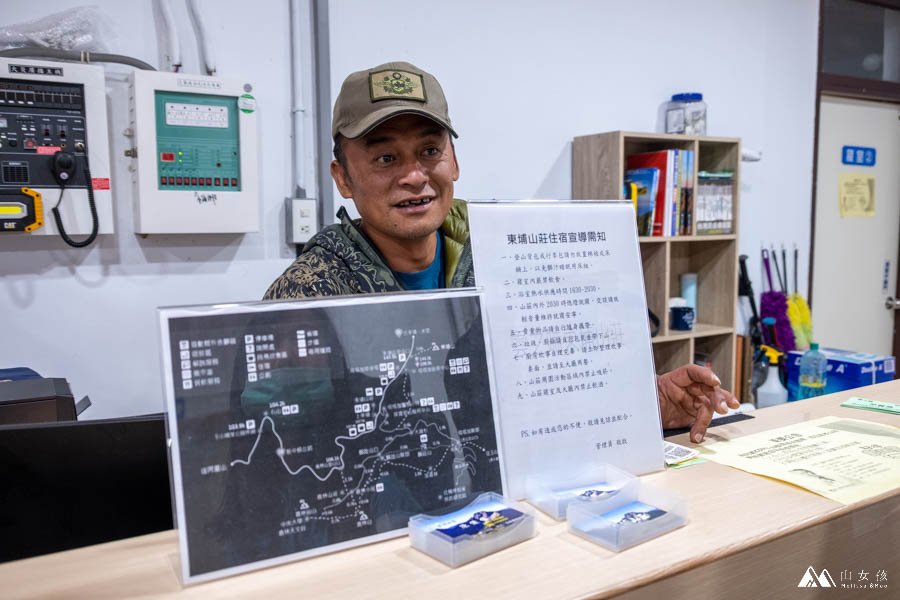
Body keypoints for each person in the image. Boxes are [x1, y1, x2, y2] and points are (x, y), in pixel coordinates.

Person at [265, 61, 739, 443]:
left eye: (430, 150)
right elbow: (282, 451)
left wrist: (648, 405)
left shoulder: (507, 258)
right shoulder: (309, 295)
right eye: (385, 158)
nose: (414, 176)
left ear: (454, 161)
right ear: (343, 177)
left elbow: (555, 388)